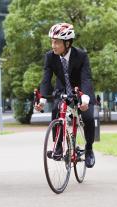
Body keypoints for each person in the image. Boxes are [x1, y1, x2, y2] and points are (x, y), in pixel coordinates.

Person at [35, 23, 96, 168]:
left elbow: (86, 78)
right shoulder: (50, 57)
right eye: (52, 41)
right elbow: (46, 79)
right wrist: (42, 99)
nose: (53, 45)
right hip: (62, 92)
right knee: (56, 110)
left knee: (88, 118)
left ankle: (89, 149)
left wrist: (85, 98)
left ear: (67, 43)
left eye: (56, 42)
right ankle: (58, 146)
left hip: (81, 92)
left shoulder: (81, 56)